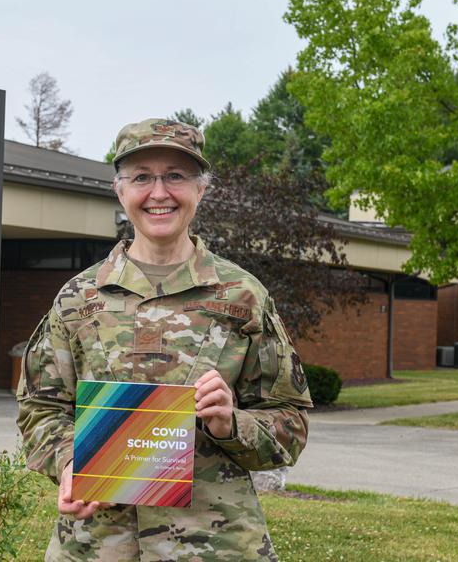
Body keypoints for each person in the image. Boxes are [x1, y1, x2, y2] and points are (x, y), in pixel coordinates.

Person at [16, 118, 313, 561]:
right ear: (120, 191)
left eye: (175, 176)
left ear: (201, 189)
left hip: (216, 547)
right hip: (98, 547)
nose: (159, 193)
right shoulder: (78, 299)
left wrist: (231, 423)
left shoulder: (243, 296)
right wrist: (69, 462)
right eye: (142, 177)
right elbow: (40, 410)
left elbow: (291, 424)